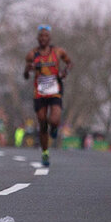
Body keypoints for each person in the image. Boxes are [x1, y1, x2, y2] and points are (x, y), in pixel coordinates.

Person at [23, 24, 72, 167]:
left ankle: (55, 128)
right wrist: (28, 69)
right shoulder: (32, 54)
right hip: (40, 93)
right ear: (38, 38)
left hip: (55, 91)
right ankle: (45, 152)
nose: (43, 38)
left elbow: (69, 63)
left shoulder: (58, 52)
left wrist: (65, 72)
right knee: (42, 122)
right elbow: (26, 75)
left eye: (46, 36)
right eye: (41, 36)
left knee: (54, 119)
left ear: (50, 38)